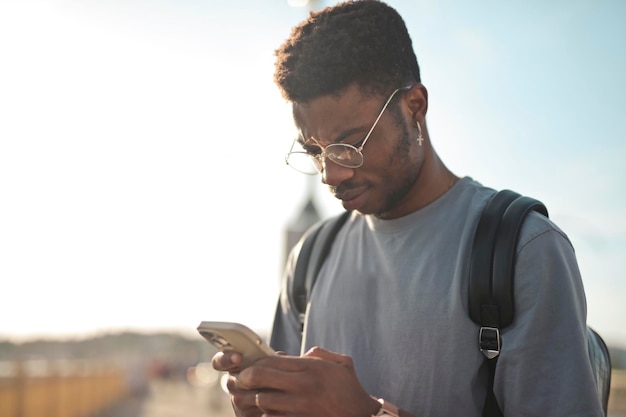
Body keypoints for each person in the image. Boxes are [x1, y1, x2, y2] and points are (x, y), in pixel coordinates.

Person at [212, 1, 603, 416]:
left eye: (350, 144)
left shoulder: (524, 249)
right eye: (315, 151)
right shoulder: (311, 258)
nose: (331, 174)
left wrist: (369, 414)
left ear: (414, 106)